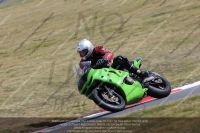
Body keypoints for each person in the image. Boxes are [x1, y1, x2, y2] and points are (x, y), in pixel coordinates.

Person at [76, 39, 148, 78]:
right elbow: (82, 72)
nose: (82, 54)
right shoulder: (82, 62)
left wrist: (105, 59)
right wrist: (79, 74)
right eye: (80, 52)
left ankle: (139, 73)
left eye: (83, 51)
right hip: (101, 75)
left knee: (120, 58)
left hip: (112, 67)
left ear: (89, 48)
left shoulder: (97, 49)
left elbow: (109, 53)